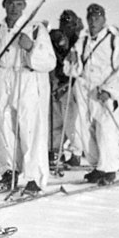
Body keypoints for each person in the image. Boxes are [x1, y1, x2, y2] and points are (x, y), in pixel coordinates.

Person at [0, 0, 55, 194]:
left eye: (18, 3)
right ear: (4, 4)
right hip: (1, 77)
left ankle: (34, 177)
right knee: (1, 126)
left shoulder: (35, 29)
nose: (14, 8)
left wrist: (31, 48)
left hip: (25, 78)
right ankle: (8, 171)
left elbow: (49, 61)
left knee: (29, 128)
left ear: (24, 5)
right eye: (10, 3)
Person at [64, 3, 119, 185]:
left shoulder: (113, 40)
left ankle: (109, 169)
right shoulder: (83, 40)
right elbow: (73, 69)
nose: (93, 22)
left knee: (105, 130)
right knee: (86, 129)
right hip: (85, 89)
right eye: (90, 18)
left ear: (104, 20)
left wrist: (109, 91)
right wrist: (71, 60)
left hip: (103, 91)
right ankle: (97, 166)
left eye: (97, 18)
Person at [48, 9, 84, 167]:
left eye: (68, 22)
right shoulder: (55, 39)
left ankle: (76, 153)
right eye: (63, 21)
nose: (65, 25)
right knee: (55, 122)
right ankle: (55, 151)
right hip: (55, 85)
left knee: (71, 124)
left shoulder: (79, 43)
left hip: (69, 87)